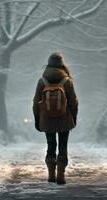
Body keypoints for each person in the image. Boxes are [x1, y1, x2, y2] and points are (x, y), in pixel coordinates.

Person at [33, 52, 78, 185]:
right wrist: (73, 117)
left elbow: (36, 102)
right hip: (64, 119)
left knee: (51, 145)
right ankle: (61, 176)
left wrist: (37, 119)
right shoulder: (67, 80)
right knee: (63, 146)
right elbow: (73, 102)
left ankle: (51, 175)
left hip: (47, 119)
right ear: (62, 64)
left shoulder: (42, 81)